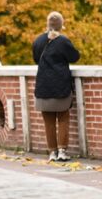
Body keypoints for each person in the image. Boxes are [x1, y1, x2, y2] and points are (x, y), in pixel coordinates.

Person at [32, 11, 80, 162]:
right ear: (61, 25)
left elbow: (35, 59)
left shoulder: (38, 41)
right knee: (63, 118)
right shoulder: (64, 41)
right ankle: (62, 151)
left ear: (47, 25)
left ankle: (52, 152)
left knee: (49, 122)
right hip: (61, 86)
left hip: (43, 86)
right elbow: (75, 57)